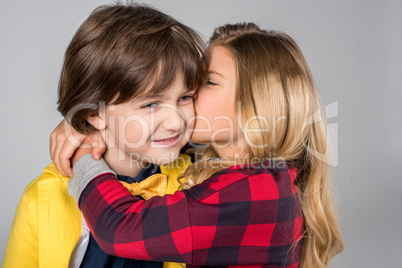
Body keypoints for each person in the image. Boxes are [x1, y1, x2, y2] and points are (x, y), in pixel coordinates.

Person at [59, 23, 344, 267]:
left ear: (256, 105)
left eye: (207, 81)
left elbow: (120, 229)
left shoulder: (256, 193)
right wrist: (88, 121)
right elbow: (151, 140)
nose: (189, 88)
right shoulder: (253, 173)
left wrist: (84, 154)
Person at [3, 3, 205, 268]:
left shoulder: (202, 182)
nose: (176, 121)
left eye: (185, 98)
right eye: (150, 104)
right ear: (94, 113)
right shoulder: (42, 198)